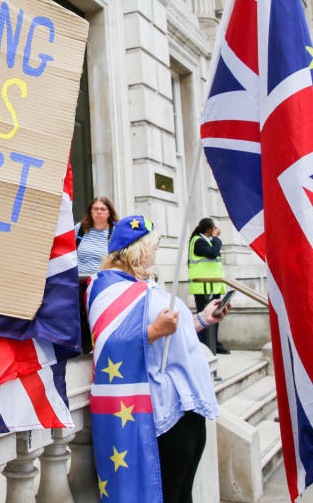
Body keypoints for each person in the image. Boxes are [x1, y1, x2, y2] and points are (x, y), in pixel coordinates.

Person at [91, 215, 229, 502]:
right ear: (137, 248)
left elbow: (172, 332)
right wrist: (154, 329)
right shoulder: (107, 287)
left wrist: (204, 319)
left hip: (188, 405)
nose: (156, 250)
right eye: (153, 244)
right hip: (162, 411)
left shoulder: (145, 285)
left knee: (182, 495)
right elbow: (109, 342)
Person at [75, 197, 119, 352]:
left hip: (103, 283)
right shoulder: (80, 229)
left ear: (109, 212)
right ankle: (83, 348)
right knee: (80, 317)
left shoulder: (116, 231)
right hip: (79, 282)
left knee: (99, 315)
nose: (99, 212)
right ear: (90, 212)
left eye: (103, 209)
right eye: (95, 209)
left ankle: (101, 347)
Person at [187, 217, 229, 354]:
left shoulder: (207, 241)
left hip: (212, 285)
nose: (216, 230)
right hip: (203, 287)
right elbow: (212, 253)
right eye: (214, 228)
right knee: (205, 318)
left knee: (215, 315)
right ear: (209, 228)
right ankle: (206, 345)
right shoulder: (198, 242)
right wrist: (217, 239)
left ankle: (214, 343)